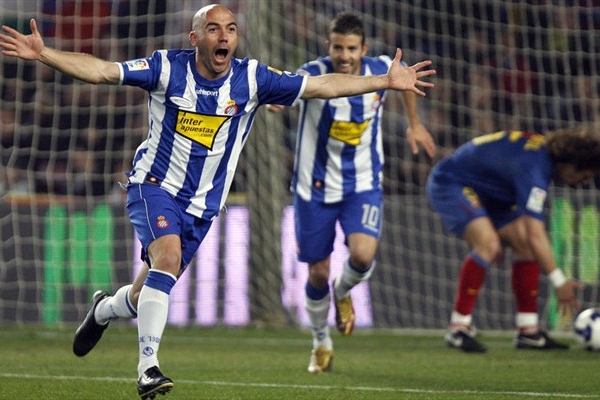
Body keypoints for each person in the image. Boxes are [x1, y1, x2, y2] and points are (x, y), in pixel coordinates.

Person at [0, 4, 435, 399]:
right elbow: (102, 71)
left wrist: (384, 80)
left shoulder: (252, 78)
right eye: (213, 29)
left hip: (203, 206)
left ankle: (104, 309)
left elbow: (320, 85)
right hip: (154, 185)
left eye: (230, 29)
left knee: (142, 293)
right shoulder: (166, 68)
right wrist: (45, 53)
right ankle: (148, 369)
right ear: (195, 38)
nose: (224, 36)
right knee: (167, 259)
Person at [269, 11, 436, 373]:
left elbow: (402, 81)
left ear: (364, 48)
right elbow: (288, 90)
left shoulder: (381, 69)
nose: (344, 56)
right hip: (313, 189)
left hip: (362, 184)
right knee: (317, 273)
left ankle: (343, 292)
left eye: (351, 49)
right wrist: (279, 99)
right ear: (328, 46)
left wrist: (414, 123)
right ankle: (320, 342)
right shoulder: (313, 72)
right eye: (338, 48)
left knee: (362, 255)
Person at [426, 126, 600, 353]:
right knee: (489, 244)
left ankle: (528, 331)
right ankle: (458, 328)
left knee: (524, 244)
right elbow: (536, 233)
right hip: (452, 183)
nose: (583, 182)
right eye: (584, 175)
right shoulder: (535, 168)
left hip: (490, 193)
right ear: (570, 163)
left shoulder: (540, 156)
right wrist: (559, 282)